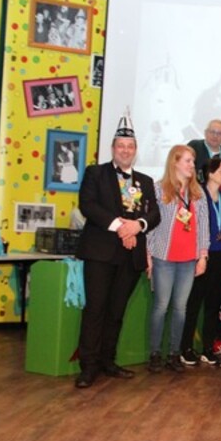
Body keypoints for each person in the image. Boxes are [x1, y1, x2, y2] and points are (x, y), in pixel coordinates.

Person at [74, 115, 161, 389]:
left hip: (130, 257)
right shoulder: (95, 173)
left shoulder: (146, 181)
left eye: (130, 146)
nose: (125, 150)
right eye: (121, 146)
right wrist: (121, 228)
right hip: (100, 253)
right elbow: (88, 205)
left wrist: (138, 225)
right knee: (95, 309)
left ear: (136, 150)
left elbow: (154, 214)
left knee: (116, 311)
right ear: (113, 148)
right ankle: (88, 366)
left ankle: (107, 361)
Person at [146, 145, 210, 373]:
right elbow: (151, 225)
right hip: (164, 256)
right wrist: (148, 254)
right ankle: (155, 353)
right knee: (161, 306)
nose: (192, 165)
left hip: (188, 259)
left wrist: (203, 256)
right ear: (175, 163)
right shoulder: (159, 189)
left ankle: (175, 353)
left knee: (180, 308)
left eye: (193, 161)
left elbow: (203, 227)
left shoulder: (198, 193)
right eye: (187, 161)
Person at [178, 158, 221, 367]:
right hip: (202, 255)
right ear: (210, 174)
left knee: (214, 303)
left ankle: (208, 347)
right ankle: (185, 347)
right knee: (194, 302)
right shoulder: (197, 196)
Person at [187, 119, 221, 184]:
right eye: (212, 132)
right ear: (205, 133)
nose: (215, 136)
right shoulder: (194, 146)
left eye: (219, 133)